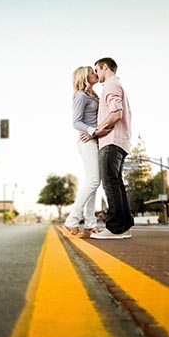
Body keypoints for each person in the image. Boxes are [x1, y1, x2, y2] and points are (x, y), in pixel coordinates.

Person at [83, 57, 133, 240]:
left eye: (97, 69)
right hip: (121, 141)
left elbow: (116, 113)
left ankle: (115, 229)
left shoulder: (110, 86)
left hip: (111, 142)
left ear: (105, 67)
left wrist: (95, 131)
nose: (96, 74)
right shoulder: (117, 85)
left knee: (110, 184)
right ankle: (124, 226)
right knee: (117, 184)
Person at [63, 66, 106, 237]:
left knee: (93, 183)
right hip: (88, 141)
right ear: (84, 76)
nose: (95, 74)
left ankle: (90, 223)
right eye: (92, 72)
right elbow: (76, 122)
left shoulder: (92, 95)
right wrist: (92, 131)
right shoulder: (81, 95)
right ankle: (71, 220)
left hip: (94, 141)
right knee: (94, 181)